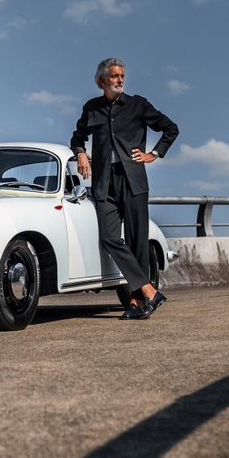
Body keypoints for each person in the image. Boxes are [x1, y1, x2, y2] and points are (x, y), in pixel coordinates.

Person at [71, 58, 179, 320]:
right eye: (115, 76)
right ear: (102, 81)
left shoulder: (137, 105)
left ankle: (134, 301)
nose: (120, 80)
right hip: (104, 183)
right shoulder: (92, 108)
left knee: (137, 242)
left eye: (122, 76)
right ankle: (149, 291)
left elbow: (170, 129)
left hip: (133, 181)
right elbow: (78, 135)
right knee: (109, 237)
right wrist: (81, 153)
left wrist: (153, 154)